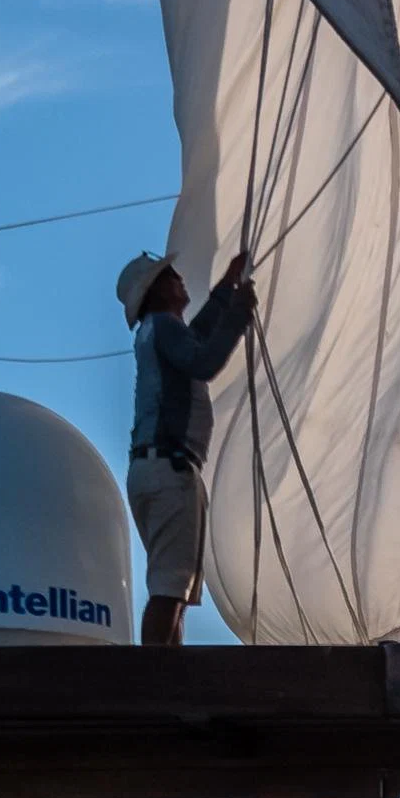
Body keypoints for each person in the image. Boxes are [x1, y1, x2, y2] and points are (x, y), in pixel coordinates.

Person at [119, 247, 261, 646]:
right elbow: (204, 361)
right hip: (171, 472)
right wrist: (238, 314)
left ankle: (168, 679)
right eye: (171, 276)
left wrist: (226, 288)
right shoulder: (163, 325)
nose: (180, 279)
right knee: (169, 590)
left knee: (174, 588)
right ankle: (155, 683)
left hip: (154, 470)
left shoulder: (157, 331)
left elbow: (195, 338)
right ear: (160, 292)